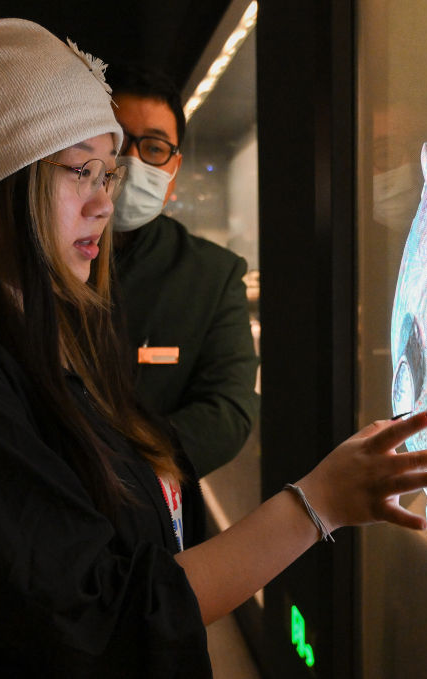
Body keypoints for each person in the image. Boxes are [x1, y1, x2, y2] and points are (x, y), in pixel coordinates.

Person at [0, 18, 427, 678]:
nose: (104, 203)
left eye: (107, 175)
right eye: (81, 171)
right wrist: (317, 504)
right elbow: (96, 619)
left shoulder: (22, 320)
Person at [109, 64, 259, 477]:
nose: (131, 160)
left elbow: (228, 411)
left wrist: (115, 462)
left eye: (154, 148)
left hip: (159, 499)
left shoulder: (212, 275)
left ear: (174, 171)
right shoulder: (37, 257)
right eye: (116, 140)